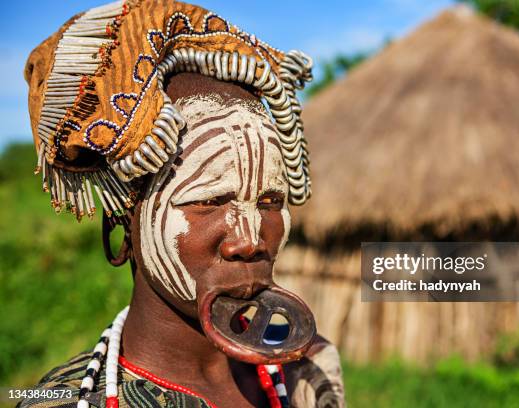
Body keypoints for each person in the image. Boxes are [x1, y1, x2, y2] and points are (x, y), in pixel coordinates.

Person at [20, 1, 344, 407]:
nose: (250, 240)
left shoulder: (309, 370)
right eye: (209, 200)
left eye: (269, 200)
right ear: (122, 224)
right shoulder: (63, 401)